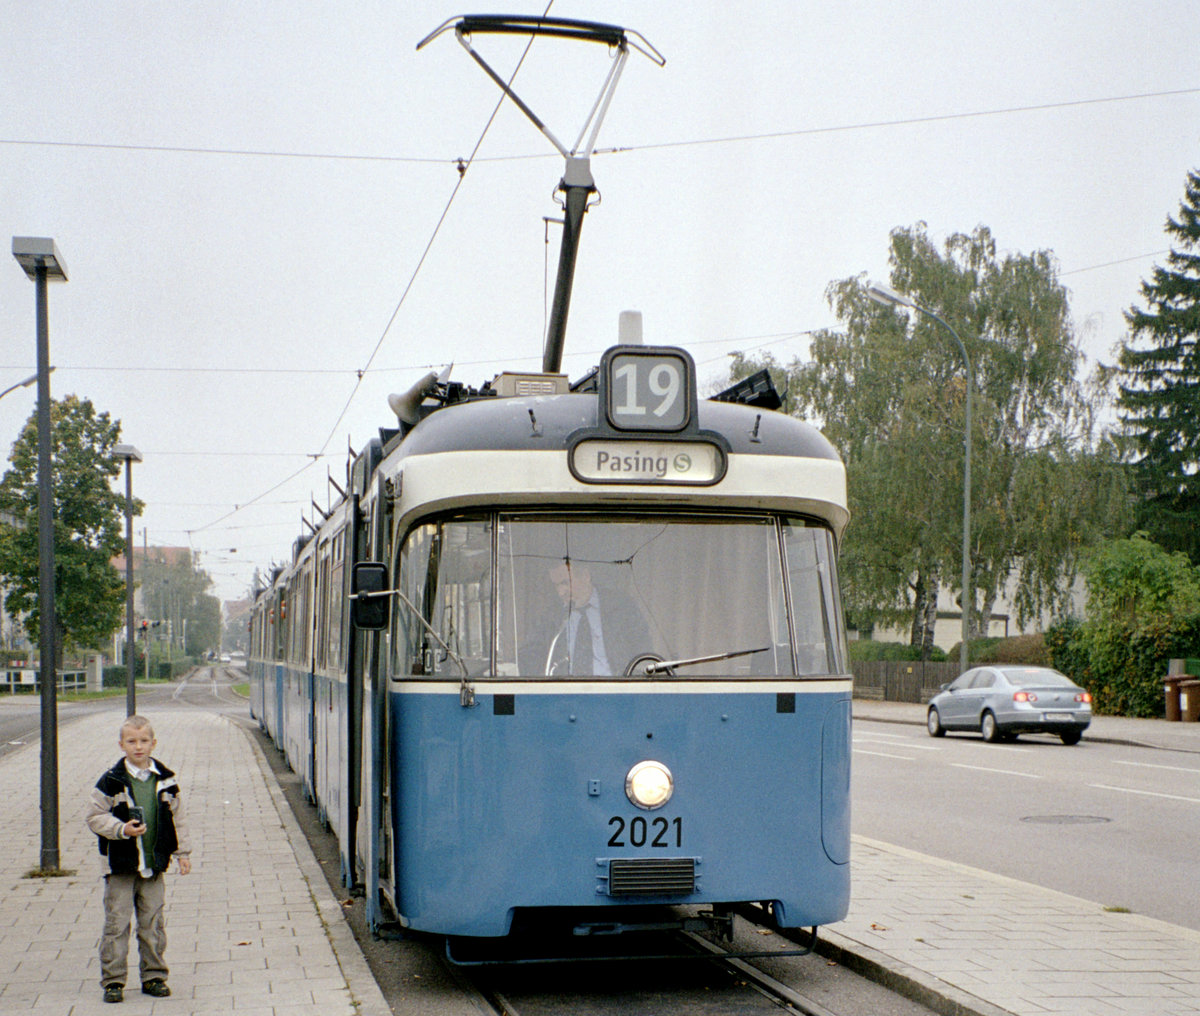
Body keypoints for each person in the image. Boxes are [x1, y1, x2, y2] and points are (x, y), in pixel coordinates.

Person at [84, 715, 192, 1004]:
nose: (138, 746)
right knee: (117, 923)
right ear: (121, 745)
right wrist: (121, 830)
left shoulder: (166, 780)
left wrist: (182, 853)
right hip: (120, 865)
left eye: (144, 741)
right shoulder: (111, 780)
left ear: (153, 743)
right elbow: (95, 816)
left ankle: (154, 976)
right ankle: (114, 981)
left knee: (153, 922)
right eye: (131, 741)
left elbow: (178, 818)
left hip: (154, 864)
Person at [546, 559, 649, 675]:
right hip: (568, 690)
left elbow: (642, 654)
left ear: (585, 576)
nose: (561, 592)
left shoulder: (621, 607)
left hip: (614, 688)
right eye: (556, 586)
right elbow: (535, 655)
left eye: (566, 583)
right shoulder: (552, 616)